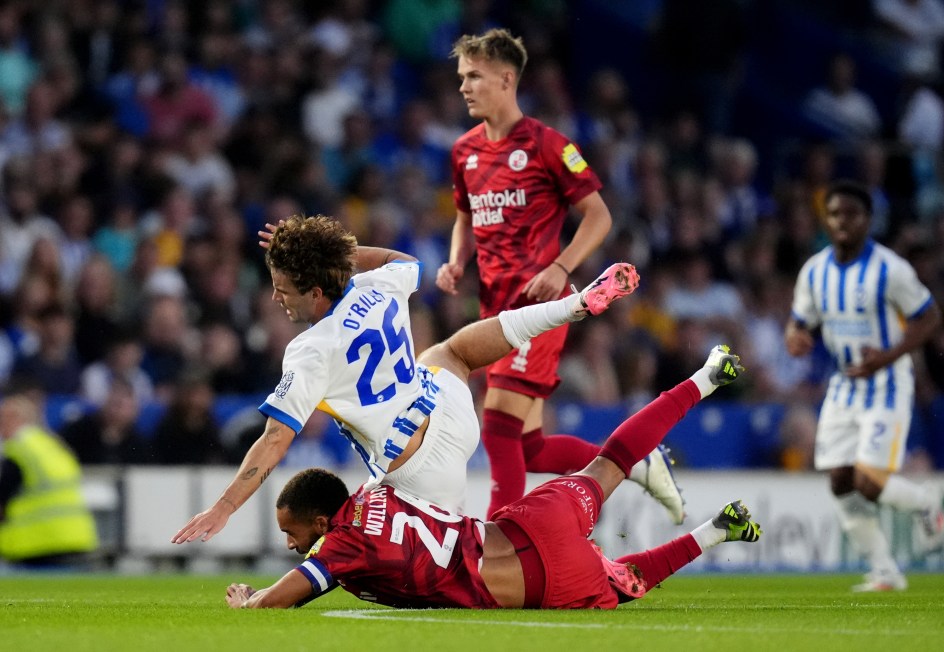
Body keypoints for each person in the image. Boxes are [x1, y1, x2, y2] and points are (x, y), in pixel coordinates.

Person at [173, 214, 638, 544]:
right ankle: (571, 307)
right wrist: (332, 252)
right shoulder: (377, 286)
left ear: (316, 291)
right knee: (450, 351)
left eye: (283, 288)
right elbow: (405, 259)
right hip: (450, 408)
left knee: (475, 563)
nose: (276, 297)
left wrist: (224, 507)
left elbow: (274, 441)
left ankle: (578, 558)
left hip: (417, 473)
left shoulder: (309, 351)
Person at [224, 345, 756, 610]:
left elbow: (281, 600)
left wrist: (249, 600)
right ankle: (705, 377)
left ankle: (712, 532)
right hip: (531, 522)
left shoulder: (339, 548)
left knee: (624, 584)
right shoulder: (377, 487)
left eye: (293, 533)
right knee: (610, 464)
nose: (293, 545)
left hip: (533, 583)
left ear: (321, 520)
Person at [436, 28, 684, 522]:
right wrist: (456, 259)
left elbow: (599, 216)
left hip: (537, 308)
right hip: (494, 310)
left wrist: (561, 266)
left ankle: (498, 546)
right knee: (529, 448)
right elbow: (466, 215)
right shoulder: (463, 150)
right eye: (462, 77)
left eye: (474, 76)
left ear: (507, 79)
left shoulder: (548, 145)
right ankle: (635, 465)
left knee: (499, 426)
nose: (463, 87)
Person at [784, 179, 944, 592]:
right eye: (835, 214)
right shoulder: (815, 271)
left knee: (868, 481)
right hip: (843, 385)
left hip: (888, 383)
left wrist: (891, 355)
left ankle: (927, 501)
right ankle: (885, 571)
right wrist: (795, 337)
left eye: (851, 215)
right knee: (839, 480)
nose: (842, 222)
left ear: (868, 221)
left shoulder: (891, 269)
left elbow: (929, 317)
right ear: (827, 218)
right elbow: (799, 322)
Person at [0, 392, 99, 567]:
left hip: (38, 541)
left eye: (4, 417)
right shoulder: (52, 444)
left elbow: (3, 493)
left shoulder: (19, 450)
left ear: (16, 418)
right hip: (75, 535)